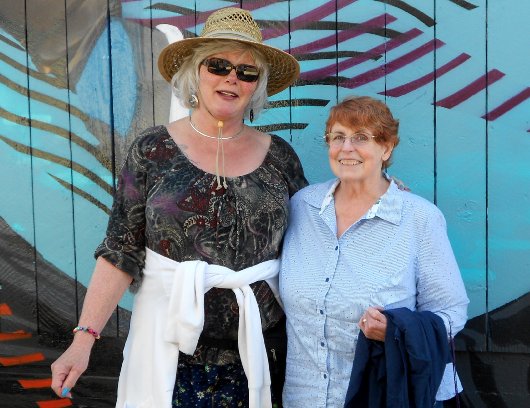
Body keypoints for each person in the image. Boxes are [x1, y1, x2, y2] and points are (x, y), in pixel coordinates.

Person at [51, 7, 307, 408]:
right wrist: (83, 340)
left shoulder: (281, 158)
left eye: (246, 71)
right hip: (169, 356)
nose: (231, 78)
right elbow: (120, 251)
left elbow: (314, 239)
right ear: (194, 72)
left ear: (257, 86)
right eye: (218, 65)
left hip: (262, 357)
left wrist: (377, 187)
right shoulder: (153, 150)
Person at [279, 96, 469, 407]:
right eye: (338, 137)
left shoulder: (419, 219)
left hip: (380, 395)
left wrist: (397, 332)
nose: (347, 148)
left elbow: (451, 313)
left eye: (361, 138)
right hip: (303, 395)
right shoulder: (303, 206)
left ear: (387, 148)